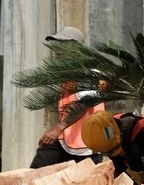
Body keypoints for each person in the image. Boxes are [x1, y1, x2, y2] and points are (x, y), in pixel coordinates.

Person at [30, 26, 106, 168]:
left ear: (76, 47)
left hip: (86, 143)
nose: (57, 49)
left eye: (62, 44)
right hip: (65, 139)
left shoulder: (88, 71)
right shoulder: (70, 71)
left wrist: (59, 127)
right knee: (36, 174)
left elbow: (86, 101)